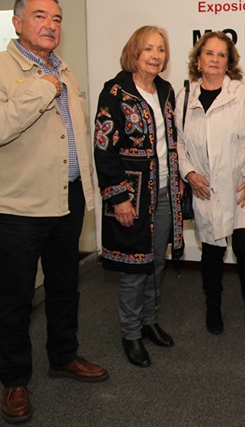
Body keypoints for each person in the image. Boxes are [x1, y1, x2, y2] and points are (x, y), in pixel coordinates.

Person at [0, 0, 107, 424]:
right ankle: (14, 380)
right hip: (18, 208)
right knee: (17, 298)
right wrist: (40, 90)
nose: (51, 25)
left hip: (66, 198)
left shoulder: (65, 70)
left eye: (57, 18)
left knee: (65, 287)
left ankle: (63, 355)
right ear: (17, 23)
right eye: (40, 16)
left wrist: (87, 190)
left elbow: (74, 137)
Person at [93, 26, 183, 368]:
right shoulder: (114, 92)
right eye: (148, 49)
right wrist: (118, 198)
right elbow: (104, 150)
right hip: (132, 195)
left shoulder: (166, 90)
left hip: (164, 191)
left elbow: (171, 141)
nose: (155, 56)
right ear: (134, 52)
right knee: (134, 266)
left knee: (156, 261)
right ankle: (130, 333)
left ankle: (149, 321)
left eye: (161, 49)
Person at [176, 31, 245, 336]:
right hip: (205, 188)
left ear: (229, 62)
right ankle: (213, 308)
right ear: (198, 60)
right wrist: (189, 173)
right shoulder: (185, 97)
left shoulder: (243, 94)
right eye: (209, 53)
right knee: (212, 253)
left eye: (222, 55)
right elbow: (180, 143)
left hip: (240, 188)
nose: (215, 59)